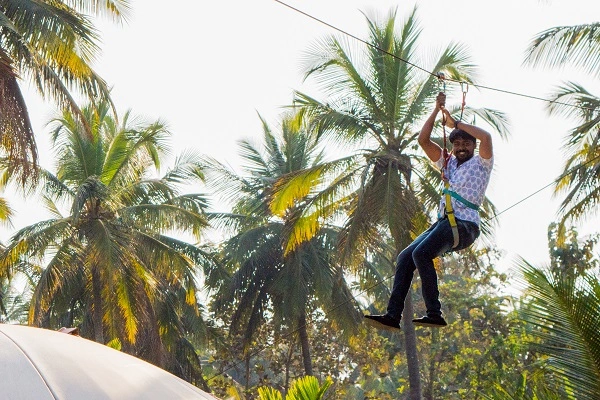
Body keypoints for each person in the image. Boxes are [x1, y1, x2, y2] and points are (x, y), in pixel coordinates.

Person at [364, 92, 494, 330]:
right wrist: (436, 110)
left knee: (421, 254)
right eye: (457, 144)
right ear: (453, 147)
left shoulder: (482, 163)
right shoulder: (448, 162)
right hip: (445, 223)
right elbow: (423, 140)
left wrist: (454, 123)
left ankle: (435, 312)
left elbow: (486, 136)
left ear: (473, 146)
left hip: (464, 226)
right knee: (405, 257)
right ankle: (393, 315)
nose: (462, 147)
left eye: (466, 143)